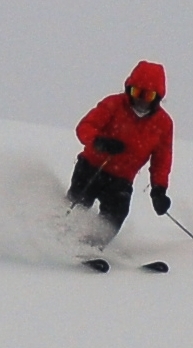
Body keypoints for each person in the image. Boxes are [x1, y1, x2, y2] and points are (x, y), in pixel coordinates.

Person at [67, 61, 174, 245]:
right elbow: (85, 127)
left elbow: (162, 160)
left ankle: (91, 247)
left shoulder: (164, 123)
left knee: (115, 216)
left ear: (157, 97)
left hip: (121, 181)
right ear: (128, 89)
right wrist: (99, 142)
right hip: (91, 168)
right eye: (136, 92)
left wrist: (159, 190)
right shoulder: (113, 104)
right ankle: (62, 236)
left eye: (148, 95)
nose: (141, 99)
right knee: (78, 205)